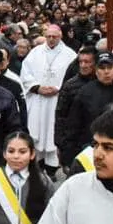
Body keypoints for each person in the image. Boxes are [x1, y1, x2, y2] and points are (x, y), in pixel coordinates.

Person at [18, 25, 76, 171]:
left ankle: (52, 168)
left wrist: (58, 88)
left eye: (54, 37)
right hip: (39, 99)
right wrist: (38, 87)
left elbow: (74, 77)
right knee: (36, 130)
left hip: (58, 99)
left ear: (60, 36)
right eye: (48, 36)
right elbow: (25, 74)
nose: (51, 39)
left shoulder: (70, 55)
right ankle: (36, 165)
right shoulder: (35, 52)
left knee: (53, 132)